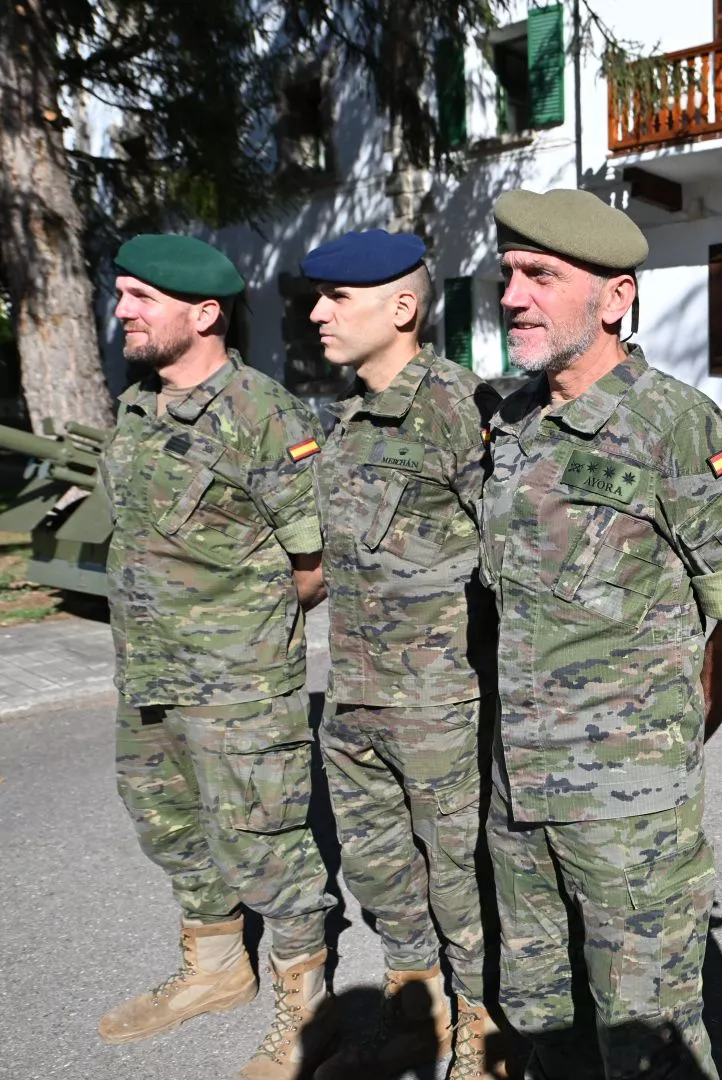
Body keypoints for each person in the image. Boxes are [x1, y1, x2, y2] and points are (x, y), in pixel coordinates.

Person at [478, 188, 722, 1078]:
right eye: (508, 277)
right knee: (540, 1020)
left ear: (616, 299)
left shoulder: (679, 429)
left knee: (648, 1043)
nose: (512, 297)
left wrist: (673, 738)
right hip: (517, 799)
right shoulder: (510, 422)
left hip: (629, 816)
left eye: (541, 275)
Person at [97, 234, 336, 1080]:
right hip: (147, 672)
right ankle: (215, 970)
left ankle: (308, 1008)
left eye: (138, 298)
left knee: (266, 844)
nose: (121, 309)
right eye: (120, 294)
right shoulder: (135, 406)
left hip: (237, 688)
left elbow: (313, 567)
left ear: (203, 314)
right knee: (166, 822)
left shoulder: (264, 414)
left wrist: (242, 638)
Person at [294, 230, 510, 1080]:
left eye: (336, 299)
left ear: (403, 307)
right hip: (354, 701)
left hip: (441, 708)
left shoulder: (465, 411)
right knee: (383, 876)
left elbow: (506, 564)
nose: (317, 314)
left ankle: (482, 1034)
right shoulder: (345, 422)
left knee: (460, 882)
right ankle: (413, 1016)